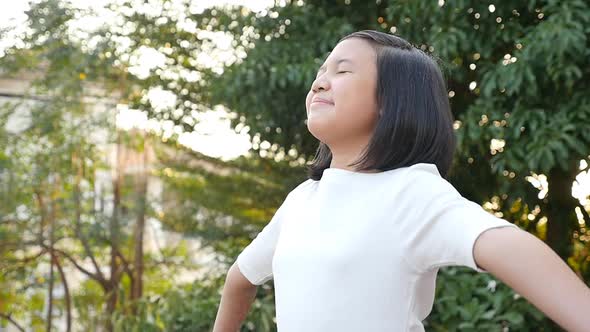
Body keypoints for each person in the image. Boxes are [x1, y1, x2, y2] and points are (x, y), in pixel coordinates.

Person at [212, 30, 590, 332]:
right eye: (320, 73)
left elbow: (509, 246)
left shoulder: (412, 192)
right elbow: (240, 278)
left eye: (341, 71)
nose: (319, 83)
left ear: (390, 103)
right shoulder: (302, 200)